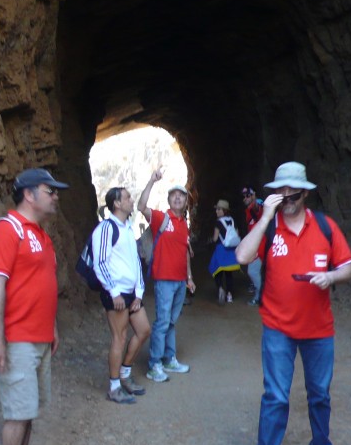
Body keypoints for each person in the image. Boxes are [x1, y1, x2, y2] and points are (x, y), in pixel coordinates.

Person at [235, 162, 351, 445]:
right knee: (276, 395)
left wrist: (330, 276)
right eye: (280, 190)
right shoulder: (270, 228)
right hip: (278, 328)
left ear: (305, 193)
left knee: (320, 394)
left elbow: (348, 267)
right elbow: (242, 257)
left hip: (319, 330)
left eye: (293, 190)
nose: (286, 196)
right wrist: (262, 219)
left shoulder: (325, 227)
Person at [0, 168, 69, 445]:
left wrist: (53, 329)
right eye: (51, 190)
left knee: (28, 408)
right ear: (29, 194)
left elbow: (41, 287)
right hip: (16, 338)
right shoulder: (7, 231)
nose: (56, 196)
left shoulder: (41, 234)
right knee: (17, 412)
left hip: (39, 337)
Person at [91, 187, 152, 404]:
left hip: (130, 293)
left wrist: (138, 293)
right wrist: (114, 292)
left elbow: (135, 262)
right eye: (127, 197)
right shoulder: (106, 228)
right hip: (115, 293)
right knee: (120, 337)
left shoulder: (126, 228)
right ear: (116, 204)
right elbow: (100, 262)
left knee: (144, 330)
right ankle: (114, 386)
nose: (131, 200)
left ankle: (125, 374)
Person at [137, 169, 196, 383]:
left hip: (180, 281)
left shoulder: (184, 226)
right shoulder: (162, 218)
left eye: (182, 195)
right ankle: (154, 365)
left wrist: (189, 277)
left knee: (171, 322)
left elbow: (185, 252)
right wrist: (152, 181)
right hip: (164, 279)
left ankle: (169, 358)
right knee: (162, 322)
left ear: (186, 202)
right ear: (169, 199)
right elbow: (141, 207)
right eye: (174, 195)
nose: (178, 197)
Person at [208, 199, 241, 303]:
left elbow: (215, 238)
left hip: (221, 250)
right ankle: (229, 295)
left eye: (219, 209)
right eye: (216, 209)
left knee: (217, 271)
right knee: (229, 274)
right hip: (230, 251)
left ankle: (220, 289)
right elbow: (237, 234)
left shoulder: (218, 222)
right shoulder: (232, 220)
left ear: (224, 211)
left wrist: (210, 240)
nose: (216, 211)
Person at [240, 186, 264, 304]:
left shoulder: (258, 205)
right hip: (256, 244)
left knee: (252, 271)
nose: (245, 198)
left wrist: (254, 200)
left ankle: (260, 296)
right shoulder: (248, 210)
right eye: (244, 196)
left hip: (261, 245)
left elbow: (258, 209)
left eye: (248, 195)